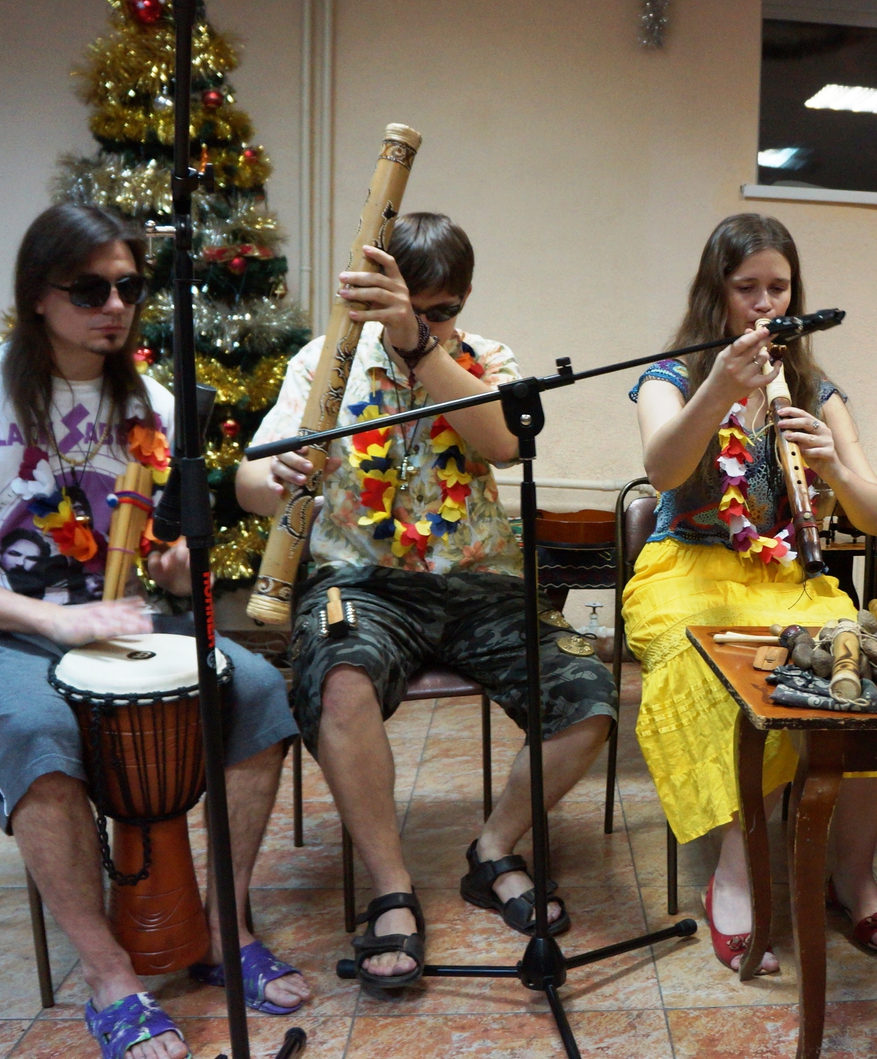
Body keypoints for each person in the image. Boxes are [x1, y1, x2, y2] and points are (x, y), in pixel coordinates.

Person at [0, 203, 309, 1059]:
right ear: (39, 294)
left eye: (129, 287)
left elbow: (166, 547)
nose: (114, 305)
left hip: (117, 623)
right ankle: (110, 974)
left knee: (255, 689)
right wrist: (51, 619)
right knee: (35, 730)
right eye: (90, 287)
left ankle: (225, 925)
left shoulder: (153, 403)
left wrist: (177, 565)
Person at [237, 212, 616, 989]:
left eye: (441, 310)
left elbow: (503, 441)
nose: (421, 322)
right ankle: (391, 889)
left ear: (461, 302)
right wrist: (269, 479)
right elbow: (247, 479)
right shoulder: (327, 361)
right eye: (406, 308)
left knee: (589, 691)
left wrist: (422, 340)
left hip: (481, 583)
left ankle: (493, 849)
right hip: (361, 583)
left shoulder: (487, 359)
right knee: (341, 680)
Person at [624, 213, 877, 975]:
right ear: (714, 293)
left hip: (790, 576)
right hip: (687, 569)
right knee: (711, 679)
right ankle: (736, 872)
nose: (763, 303)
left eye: (777, 288)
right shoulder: (673, 375)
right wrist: (720, 383)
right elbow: (660, 469)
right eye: (745, 287)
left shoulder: (818, 389)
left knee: (868, 676)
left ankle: (850, 873)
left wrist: (837, 467)